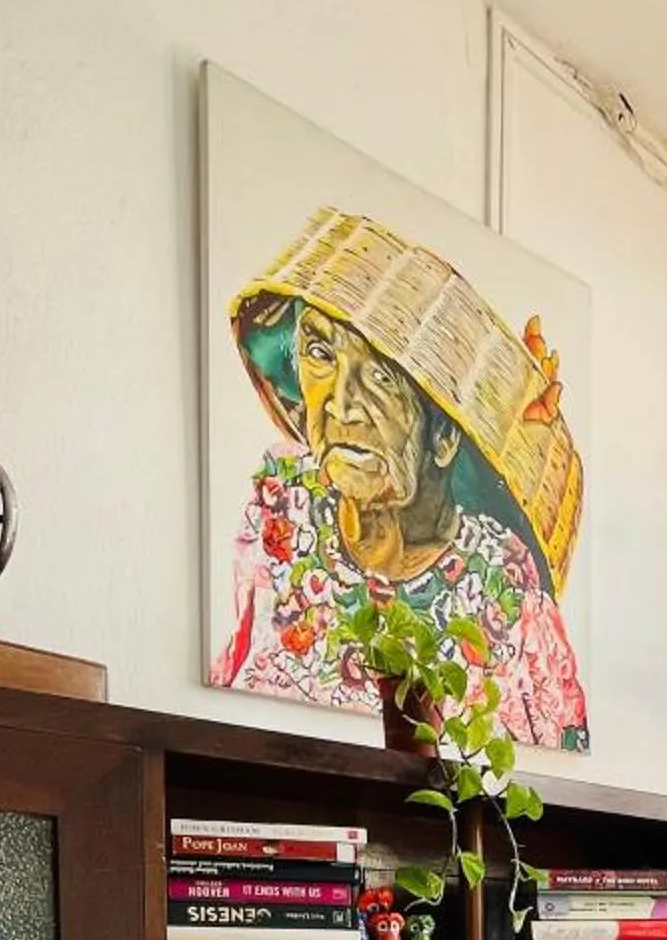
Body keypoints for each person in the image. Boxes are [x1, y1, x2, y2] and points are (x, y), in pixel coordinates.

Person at [211, 205, 589, 749]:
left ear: (445, 437)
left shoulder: (501, 580)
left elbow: (552, 755)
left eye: (383, 378)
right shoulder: (281, 501)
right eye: (320, 353)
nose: (342, 404)